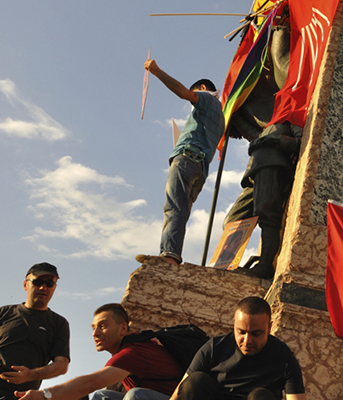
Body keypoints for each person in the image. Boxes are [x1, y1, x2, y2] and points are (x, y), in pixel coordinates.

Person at [140, 59, 225, 265]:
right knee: (180, 211)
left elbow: (183, 93)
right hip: (200, 168)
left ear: (203, 88)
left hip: (187, 159)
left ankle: (169, 256)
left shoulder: (206, 99)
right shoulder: (220, 116)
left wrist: (157, 71)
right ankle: (171, 254)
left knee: (173, 208)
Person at [17, 304, 183, 400]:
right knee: (103, 397)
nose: (95, 333)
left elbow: (90, 382)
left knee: (135, 396)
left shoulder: (133, 352)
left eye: (103, 326)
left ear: (123, 328)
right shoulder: (130, 349)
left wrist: (44, 395)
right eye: (93, 328)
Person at [173, 297, 305, 400]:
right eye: (241, 332)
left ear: (269, 329)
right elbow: (180, 393)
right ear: (234, 325)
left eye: (256, 334)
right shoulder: (215, 348)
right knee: (195, 382)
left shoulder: (284, 358)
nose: (247, 341)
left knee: (261, 396)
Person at [224, 121, 305, 279]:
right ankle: (226, 262)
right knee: (233, 219)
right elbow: (254, 135)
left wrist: (277, 141)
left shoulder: (290, 120)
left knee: (267, 214)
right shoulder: (269, 124)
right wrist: (237, 119)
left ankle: (264, 266)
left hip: (273, 164)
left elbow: (302, 141)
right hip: (255, 170)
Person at [0, 263, 69, 399]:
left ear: (54, 288)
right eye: (37, 282)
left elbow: (61, 365)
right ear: (26, 285)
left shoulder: (59, 323)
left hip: (22, 396)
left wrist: (30, 375)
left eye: (49, 283)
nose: (43, 287)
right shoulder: (4, 312)